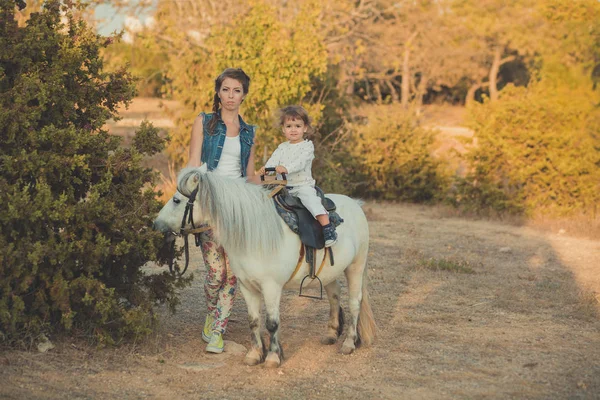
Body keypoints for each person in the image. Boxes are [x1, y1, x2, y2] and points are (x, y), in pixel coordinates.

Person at [187, 68, 257, 353]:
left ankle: (217, 330)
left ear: (244, 95)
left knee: (233, 273)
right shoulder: (203, 122)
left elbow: (250, 175)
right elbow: (193, 162)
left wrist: (280, 174)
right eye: (226, 89)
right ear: (218, 92)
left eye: (237, 90)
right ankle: (211, 314)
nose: (231, 95)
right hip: (211, 206)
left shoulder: (249, 132)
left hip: (238, 210)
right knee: (216, 272)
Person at [258, 105, 337, 247]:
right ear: (283, 129)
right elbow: (273, 160)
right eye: (289, 126)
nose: (293, 129)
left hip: (302, 185)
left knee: (310, 200)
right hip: (282, 187)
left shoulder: (307, 146)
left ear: (305, 128)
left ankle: (327, 228)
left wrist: (286, 168)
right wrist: (265, 170)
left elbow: (301, 162)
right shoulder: (282, 147)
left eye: (298, 126)